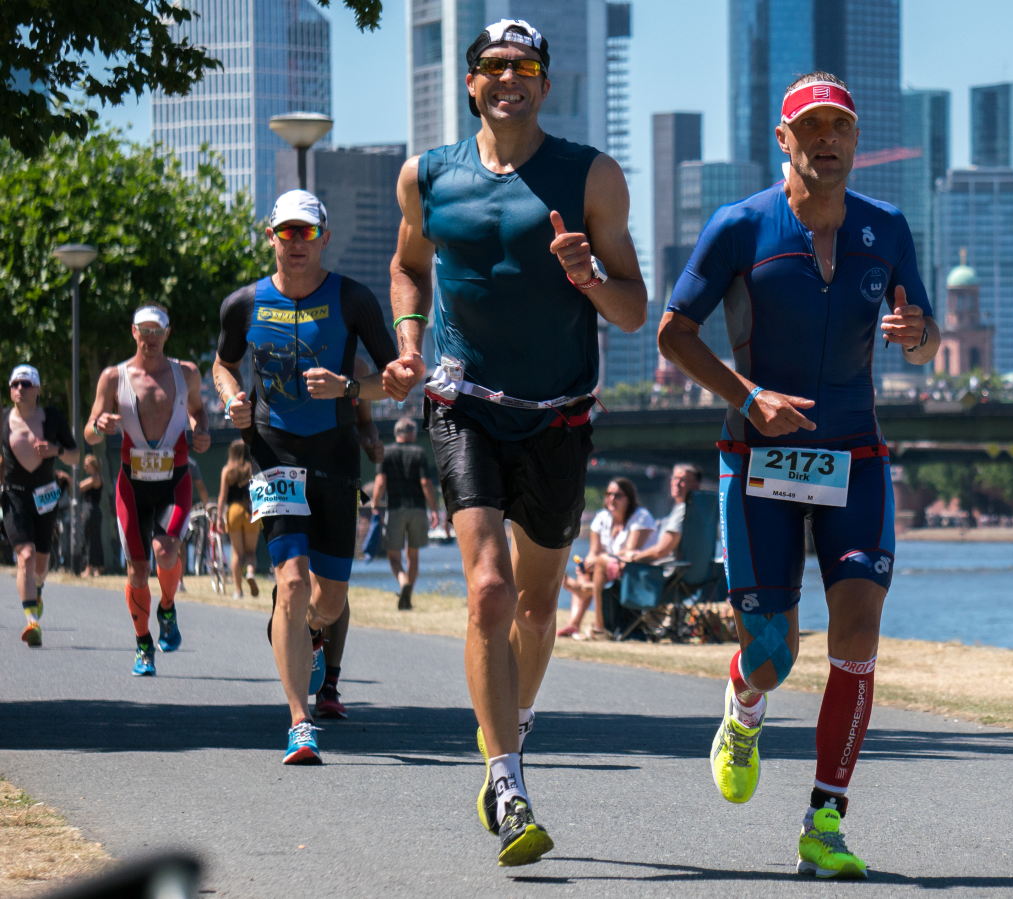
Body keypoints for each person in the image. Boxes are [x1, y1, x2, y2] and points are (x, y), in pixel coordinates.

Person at [657, 71, 939, 879]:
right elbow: (674, 333)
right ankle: (745, 703)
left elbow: (920, 343)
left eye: (839, 128)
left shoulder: (887, 229)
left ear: (855, 141)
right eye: (809, 128)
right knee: (776, 653)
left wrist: (916, 332)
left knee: (857, 635)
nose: (826, 141)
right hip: (757, 459)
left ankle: (826, 818)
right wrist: (748, 396)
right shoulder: (740, 226)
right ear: (783, 141)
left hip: (856, 457)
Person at [381, 18, 646, 866]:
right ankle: (507, 780)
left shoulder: (591, 176)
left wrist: (586, 276)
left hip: (560, 414)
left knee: (538, 609)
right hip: (463, 403)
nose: (508, 78)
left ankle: (513, 724)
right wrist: (411, 338)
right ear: (470, 83)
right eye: (493, 65)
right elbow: (408, 267)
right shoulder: (427, 177)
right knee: (489, 591)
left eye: (524, 65)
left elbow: (635, 308)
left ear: (543, 80)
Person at [212, 188, 398, 764]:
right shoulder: (242, 304)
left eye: (307, 232)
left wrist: (347, 388)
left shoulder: (354, 299)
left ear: (324, 237)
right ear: (271, 238)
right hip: (272, 451)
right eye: (286, 233)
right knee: (291, 583)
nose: (297, 243)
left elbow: (393, 379)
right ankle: (299, 721)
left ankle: (310, 630)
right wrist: (231, 400)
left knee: (330, 600)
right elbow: (222, 362)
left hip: (337, 455)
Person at [85, 306, 211, 676]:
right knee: (138, 571)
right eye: (144, 330)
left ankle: (167, 608)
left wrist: (200, 432)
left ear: (167, 333)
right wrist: (100, 424)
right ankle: (143, 645)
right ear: (134, 332)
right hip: (132, 487)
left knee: (166, 551)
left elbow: (199, 412)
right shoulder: (114, 377)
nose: (151, 337)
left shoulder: (185, 372)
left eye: (157, 330)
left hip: (175, 480)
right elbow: (90, 430)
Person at [313, 356, 385, 720]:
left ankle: (329, 685)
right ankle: (304, 670)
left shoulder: (356, 367)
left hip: (342, 480)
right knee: (291, 583)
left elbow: (366, 423)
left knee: (335, 587)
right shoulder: (279, 341)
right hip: (289, 478)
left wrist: (372, 443)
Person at [3, 365, 79, 647]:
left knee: (41, 564)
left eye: (25, 383)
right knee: (26, 554)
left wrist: (55, 450)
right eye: (14, 384)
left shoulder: (52, 417)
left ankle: (38, 589)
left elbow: (75, 456)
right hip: (13, 496)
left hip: (45, 496)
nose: (19, 388)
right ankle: (32, 621)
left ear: (37, 389)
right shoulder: (3, 419)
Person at [559, 477, 653, 640]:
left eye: (617, 495)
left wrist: (599, 559)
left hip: (635, 570)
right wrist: (586, 564)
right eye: (608, 494)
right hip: (609, 568)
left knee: (600, 562)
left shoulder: (641, 517)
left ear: (629, 499)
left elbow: (629, 552)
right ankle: (573, 624)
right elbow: (593, 552)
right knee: (586, 569)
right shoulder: (602, 517)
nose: (611, 499)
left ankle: (598, 625)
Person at [369, 416, 439, 610]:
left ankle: (403, 583)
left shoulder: (386, 453)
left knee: (393, 556)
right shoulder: (419, 452)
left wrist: (375, 505)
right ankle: (408, 595)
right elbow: (426, 483)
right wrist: (434, 509)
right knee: (413, 555)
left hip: (395, 509)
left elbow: (380, 482)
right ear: (410, 433)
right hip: (417, 509)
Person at [619, 463, 701, 568]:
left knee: (609, 564)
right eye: (675, 478)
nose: (677, 483)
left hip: (667, 576)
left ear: (696, 484)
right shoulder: (699, 510)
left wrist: (632, 559)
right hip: (688, 574)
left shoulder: (683, 510)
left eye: (683, 480)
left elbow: (660, 551)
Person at [217, 440, 260, 599]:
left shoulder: (227, 471)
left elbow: (222, 496)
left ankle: (238, 590)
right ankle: (250, 572)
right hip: (251, 512)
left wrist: (219, 518)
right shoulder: (252, 468)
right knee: (250, 552)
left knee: (236, 552)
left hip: (233, 511)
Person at [78, 453, 105, 577]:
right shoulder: (96, 477)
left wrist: (68, 478)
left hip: (91, 510)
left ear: (93, 466)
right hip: (93, 510)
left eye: (87, 465)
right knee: (95, 539)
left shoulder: (95, 478)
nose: (85, 467)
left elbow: (79, 487)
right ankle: (99, 567)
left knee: (89, 539)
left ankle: (89, 568)